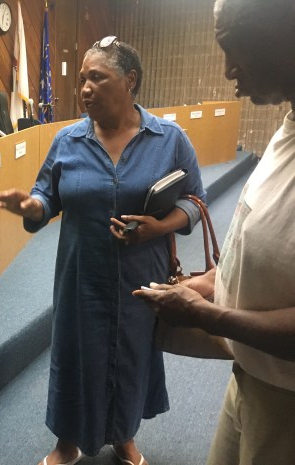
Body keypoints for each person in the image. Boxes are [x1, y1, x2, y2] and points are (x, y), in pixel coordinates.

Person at [0, 37, 205, 465]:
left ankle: (123, 436)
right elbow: (44, 198)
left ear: (130, 81)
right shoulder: (67, 140)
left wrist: (159, 227)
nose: (84, 87)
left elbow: (195, 201)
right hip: (80, 273)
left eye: (97, 77)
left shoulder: (169, 139)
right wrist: (30, 206)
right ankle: (67, 442)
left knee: (131, 352)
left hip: (141, 273)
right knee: (75, 354)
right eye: (83, 78)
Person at [134, 0, 295, 464]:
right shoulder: (288, 125)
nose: (226, 71)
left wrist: (210, 317)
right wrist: (212, 284)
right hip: (249, 377)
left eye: (234, 48)